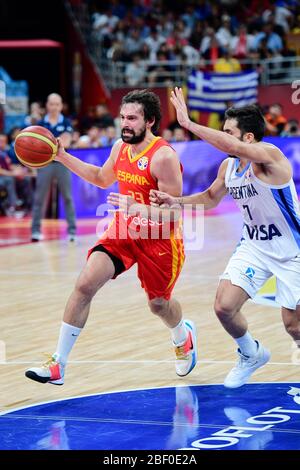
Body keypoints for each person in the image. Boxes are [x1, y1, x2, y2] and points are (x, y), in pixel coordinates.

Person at [25, 89, 197, 385]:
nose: (125, 123)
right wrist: (62, 155)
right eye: (122, 117)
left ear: (150, 121)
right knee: (84, 284)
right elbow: (101, 178)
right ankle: (58, 364)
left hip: (160, 240)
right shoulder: (120, 146)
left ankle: (183, 335)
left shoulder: (164, 157)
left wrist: (138, 206)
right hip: (123, 230)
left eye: (132, 118)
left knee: (158, 305)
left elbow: (173, 214)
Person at [150, 87, 300, 389]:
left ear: (246, 137)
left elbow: (243, 151)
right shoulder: (229, 166)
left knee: (293, 325)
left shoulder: (270, 156)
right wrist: (173, 201)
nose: (223, 136)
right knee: (224, 307)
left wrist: (190, 125)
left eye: (229, 132)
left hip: (292, 248)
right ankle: (251, 353)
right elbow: (209, 198)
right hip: (254, 246)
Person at [31, 93, 76, 242]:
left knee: (68, 197)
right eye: (52, 104)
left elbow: (67, 142)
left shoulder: (67, 122)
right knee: (39, 198)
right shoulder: (41, 123)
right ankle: (35, 231)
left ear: (61, 106)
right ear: (47, 105)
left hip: (63, 163)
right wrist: (56, 142)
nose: (54, 107)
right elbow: (34, 144)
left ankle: (72, 232)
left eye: (57, 104)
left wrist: (47, 144)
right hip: (45, 164)